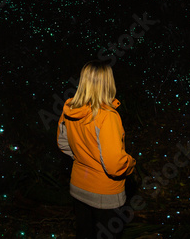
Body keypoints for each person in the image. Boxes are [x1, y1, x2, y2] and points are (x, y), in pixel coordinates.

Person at [57, 60, 136, 239]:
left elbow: (63, 144)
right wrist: (131, 163)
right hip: (105, 193)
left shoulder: (69, 108)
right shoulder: (107, 117)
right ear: (108, 82)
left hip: (78, 187)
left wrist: (83, 157)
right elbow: (115, 165)